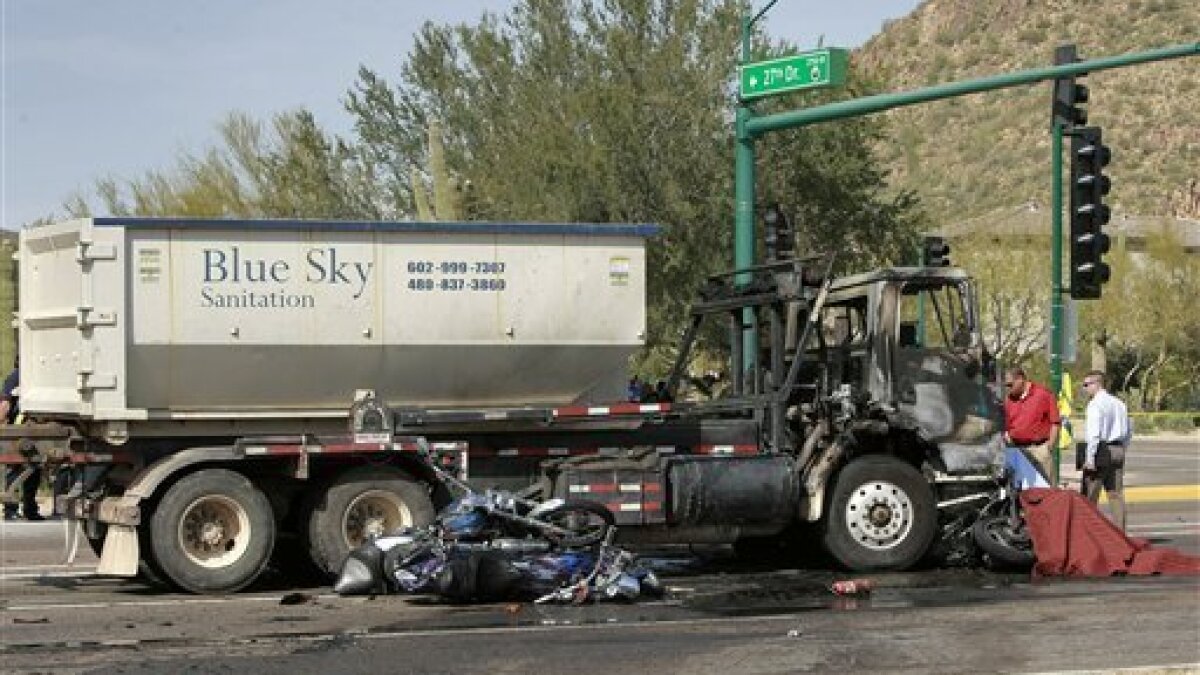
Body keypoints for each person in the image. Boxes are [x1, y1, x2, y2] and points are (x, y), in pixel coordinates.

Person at [1079, 370, 1131, 531]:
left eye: (1087, 384)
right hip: (1118, 448)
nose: (1085, 388)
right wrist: (1123, 449)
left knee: (1090, 495)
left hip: (1101, 450)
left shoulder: (1095, 404)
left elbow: (1094, 434)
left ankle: (1088, 533)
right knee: (1115, 494)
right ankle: (1120, 533)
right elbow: (1128, 430)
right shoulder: (1119, 403)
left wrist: (1089, 458)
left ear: (1097, 384)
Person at [1002, 366, 1060, 484]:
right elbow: (1005, 423)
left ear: (1020, 379)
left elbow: (1055, 422)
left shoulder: (1043, 394)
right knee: (1018, 491)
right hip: (1016, 450)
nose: (1008, 389)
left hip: (1039, 450)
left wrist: (1049, 447)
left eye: (1010, 385)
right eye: (1006, 386)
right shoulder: (1009, 399)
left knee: (1044, 489)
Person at [3, 360, 43, 521]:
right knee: (21, 470)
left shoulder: (18, 376)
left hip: (24, 429)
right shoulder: (17, 377)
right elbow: (5, 405)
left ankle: (23, 509)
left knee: (29, 470)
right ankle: (17, 509)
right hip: (20, 430)